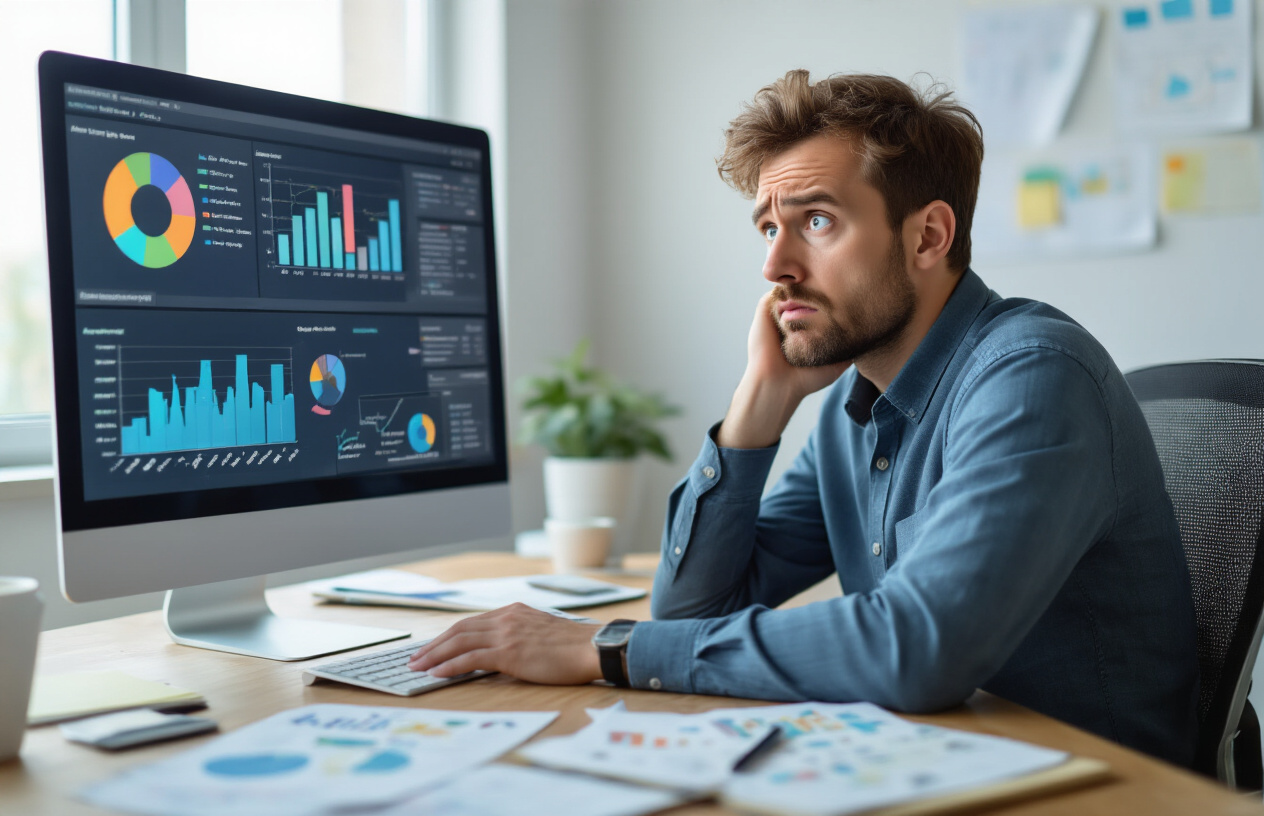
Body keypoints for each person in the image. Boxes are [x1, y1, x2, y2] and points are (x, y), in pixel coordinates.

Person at [407, 69, 1199, 766]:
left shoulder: (1031, 376)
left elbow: (915, 650)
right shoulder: (854, 411)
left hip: (1095, 787)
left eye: (816, 221)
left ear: (928, 235)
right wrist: (761, 402)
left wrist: (603, 648)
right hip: (938, 762)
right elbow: (691, 613)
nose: (774, 265)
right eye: (767, 226)